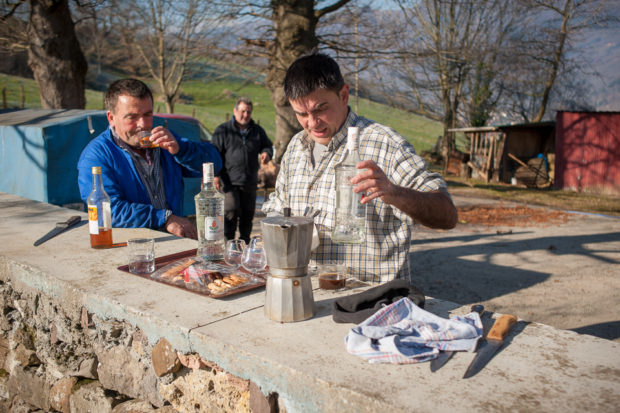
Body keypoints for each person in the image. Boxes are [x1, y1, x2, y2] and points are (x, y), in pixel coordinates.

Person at [262, 53, 458, 284]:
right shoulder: (296, 147)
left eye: (321, 109)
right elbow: (278, 208)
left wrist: (395, 193)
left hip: (372, 298)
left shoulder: (386, 145)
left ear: (343, 95)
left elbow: (447, 215)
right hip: (308, 293)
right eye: (302, 114)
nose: (312, 123)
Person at [77, 78, 222, 239]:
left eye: (147, 114)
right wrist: (164, 218)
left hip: (173, 242)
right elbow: (105, 210)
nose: (143, 124)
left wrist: (181, 150)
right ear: (111, 118)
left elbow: (214, 164)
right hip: (128, 246)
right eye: (132, 117)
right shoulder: (96, 156)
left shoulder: (163, 141)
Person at [212, 97, 273, 244]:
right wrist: (215, 175)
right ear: (235, 111)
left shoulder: (257, 131)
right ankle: (228, 243)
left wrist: (266, 153)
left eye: (248, 112)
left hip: (250, 181)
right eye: (242, 111)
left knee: (247, 215)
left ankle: (244, 245)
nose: (245, 115)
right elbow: (214, 154)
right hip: (229, 181)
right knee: (230, 212)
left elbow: (267, 145)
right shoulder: (223, 130)